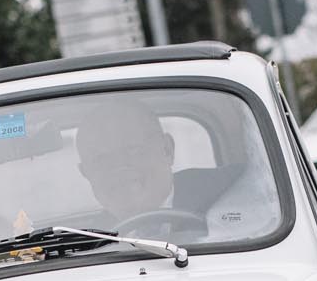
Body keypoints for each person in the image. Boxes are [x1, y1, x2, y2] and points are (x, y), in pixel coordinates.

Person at [74, 99, 279, 240]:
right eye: (101, 159)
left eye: (133, 151)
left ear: (167, 150)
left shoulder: (235, 188)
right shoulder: (82, 242)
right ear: (86, 173)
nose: (119, 168)